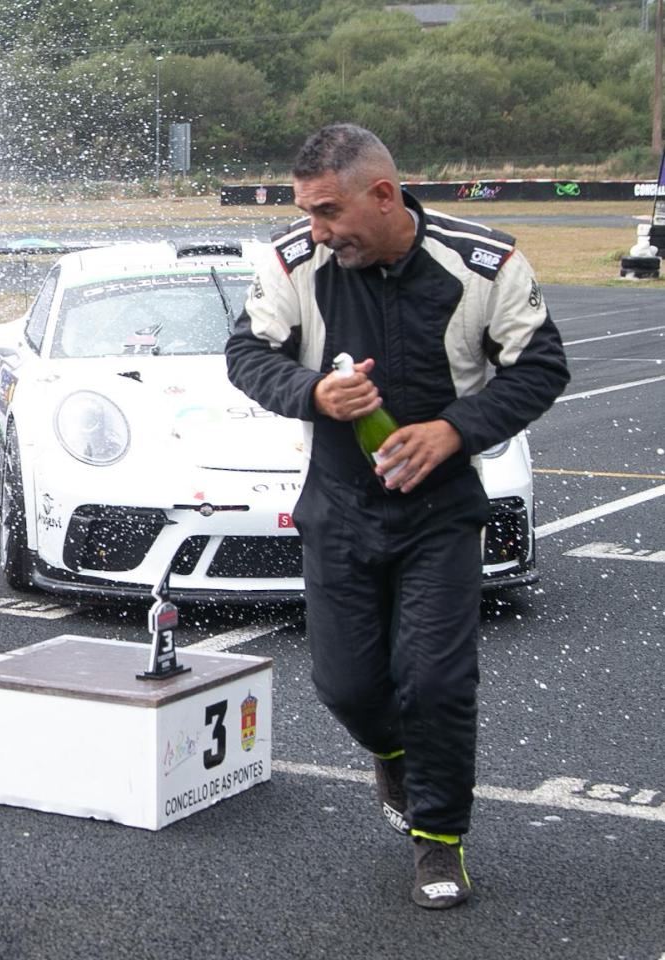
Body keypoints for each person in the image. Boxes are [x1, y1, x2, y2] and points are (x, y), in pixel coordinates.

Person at [226, 123, 568, 909]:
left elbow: (542, 366)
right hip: (338, 507)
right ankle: (390, 752)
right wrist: (312, 393)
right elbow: (246, 354)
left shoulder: (486, 261)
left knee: (437, 682)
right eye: (307, 212)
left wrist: (457, 429)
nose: (317, 230)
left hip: (440, 513)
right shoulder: (293, 261)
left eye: (328, 212)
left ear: (383, 195)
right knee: (346, 686)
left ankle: (438, 841)